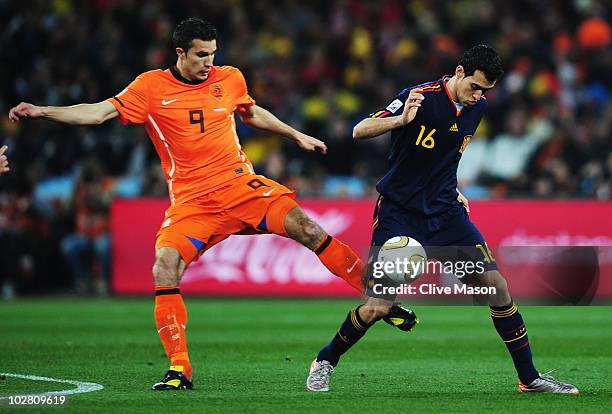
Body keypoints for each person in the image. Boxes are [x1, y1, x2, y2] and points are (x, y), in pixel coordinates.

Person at [8, 17, 366, 391]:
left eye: (213, 53)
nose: (209, 61)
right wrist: (43, 111)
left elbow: (249, 111)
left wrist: (295, 134)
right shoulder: (150, 87)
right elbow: (97, 112)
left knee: (308, 228)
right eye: (200, 55)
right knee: (164, 267)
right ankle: (180, 369)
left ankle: (377, 297)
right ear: (180, 53)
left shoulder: (230, 78)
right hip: (193, 202)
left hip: (240, 186)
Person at [306, 45, 579, 395]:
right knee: (378, 306)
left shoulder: (476, 107)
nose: (479, 96)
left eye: (486, 91)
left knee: (497, 288)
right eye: (476, 87)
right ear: (460, 72)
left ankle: (530, 378)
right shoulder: (419, 96)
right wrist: (401, 120)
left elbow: (448, 153)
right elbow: (360, 129)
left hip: (446, 212)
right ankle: (325, 361)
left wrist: (453, 187)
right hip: (399, 214)